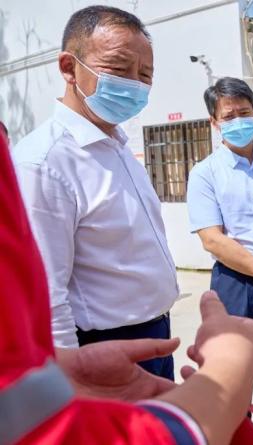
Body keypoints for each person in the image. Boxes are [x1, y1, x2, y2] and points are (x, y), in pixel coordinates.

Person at [0, 131, 253, 445]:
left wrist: (63, 371)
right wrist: (228, 371)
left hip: (126, 350)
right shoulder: (44, 160)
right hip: (103, 338)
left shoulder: (122, 152)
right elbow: (49, 431)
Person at [12, 6, 178, 379]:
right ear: (69, 68)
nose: (135, 84)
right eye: (119, 69)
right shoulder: (45, 163)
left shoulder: (118, 146)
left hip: (154, 337)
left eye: (145, 75)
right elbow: (45, 294)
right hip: (102, 351)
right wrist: (71, 380)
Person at [186, 77, 253, 424]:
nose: (238, 121)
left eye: (244, 112)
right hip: (236, 282)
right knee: (234, 372)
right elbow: (212, 239)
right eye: (229, 116)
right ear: (214, 122)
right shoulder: (204, 173)